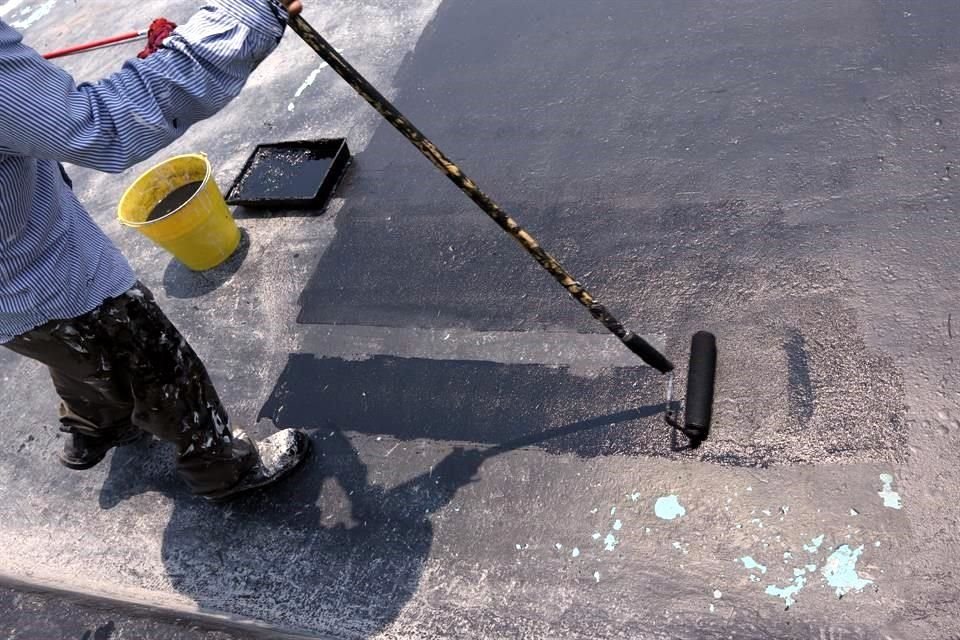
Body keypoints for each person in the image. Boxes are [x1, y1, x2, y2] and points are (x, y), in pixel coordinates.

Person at [0, 0, 311, 501]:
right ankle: (220, 469)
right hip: (47, 275)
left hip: (12, 286)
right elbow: (101, 125)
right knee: (156, 363)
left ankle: (94, 424)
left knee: (63, 345)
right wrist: (249, 14)